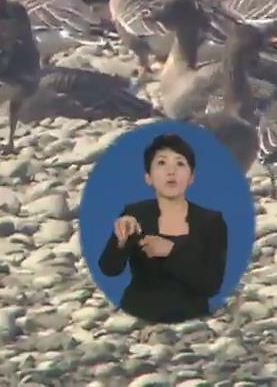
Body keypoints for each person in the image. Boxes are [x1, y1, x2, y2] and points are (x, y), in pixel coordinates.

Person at [97, 133, 228, 323]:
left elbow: (211, 286)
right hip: (137, 314)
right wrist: (120, 241)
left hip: (190, 319)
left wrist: (172, 252)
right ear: (148, 177)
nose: (171, 171)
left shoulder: (211, 221)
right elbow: (109, 269)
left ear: (192, 177)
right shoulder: (135, 213)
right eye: (161, 163)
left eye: (180, 164)